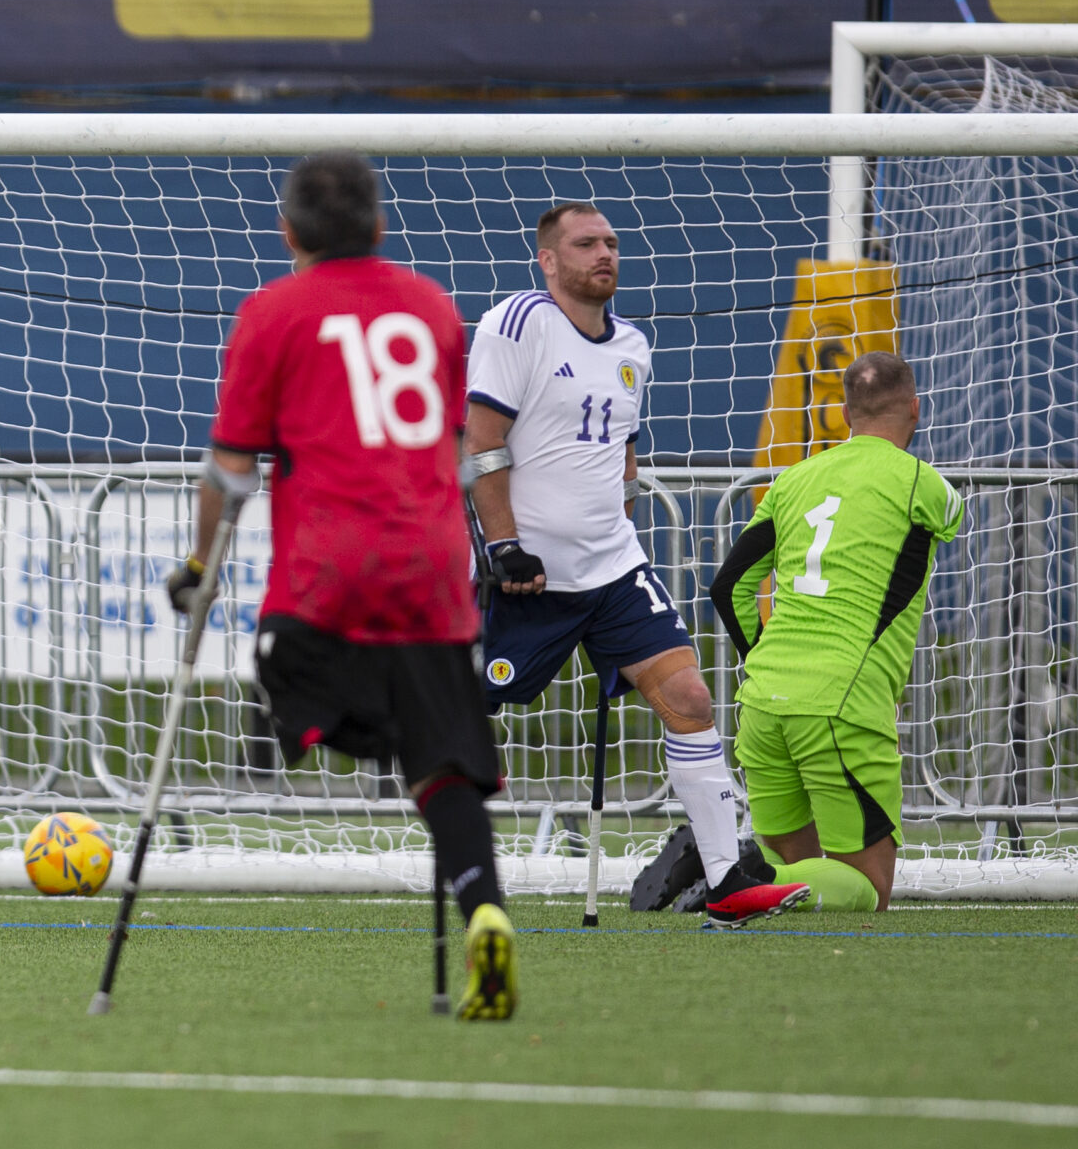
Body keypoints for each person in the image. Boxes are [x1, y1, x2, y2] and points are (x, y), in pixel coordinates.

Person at [167, 153, 516, 1019]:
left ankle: (363, 733)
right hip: (433, 564)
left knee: (293, 685)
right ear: (380, 226)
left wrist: (199, 564)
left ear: (288, 232)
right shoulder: (433, 306)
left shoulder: (272, 311)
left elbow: (231, 465)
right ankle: (486, 913)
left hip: (331, 568)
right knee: (446, 759)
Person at [466, 203, 800, 919]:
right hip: (528, 574)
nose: (605, 253)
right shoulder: (517, 322)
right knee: (455, 708)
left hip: (615, 571)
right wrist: (501, 545)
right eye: (586, 243)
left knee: (690, 699)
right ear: (549, 260)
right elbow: (483, 438)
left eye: (612, 242)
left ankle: (726, 882)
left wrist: (619, 509)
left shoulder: (635, 345)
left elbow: (623, 445)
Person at [705, 351, 962, 924]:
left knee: (793, 906)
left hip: (763, 706)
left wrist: (764, 661)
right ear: (916, 409)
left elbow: (728, 588)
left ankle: (732, 877)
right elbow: (949, 517)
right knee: (868, 889)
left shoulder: (793, 481)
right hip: (844, 704)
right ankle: (722, 874)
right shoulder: (927, 486)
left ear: (845, 413)